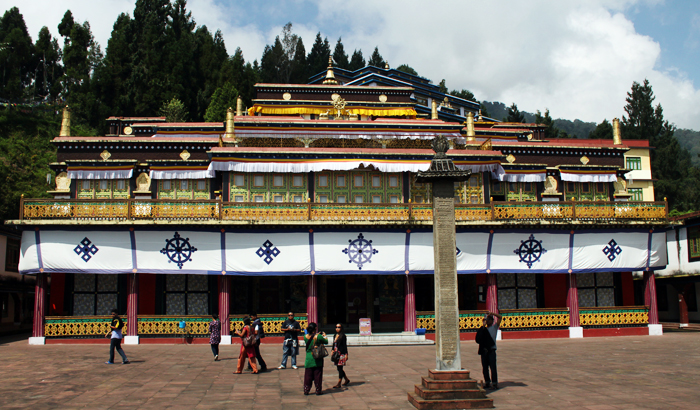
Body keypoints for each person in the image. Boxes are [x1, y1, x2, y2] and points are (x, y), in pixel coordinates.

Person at [475, 311, 502, 390]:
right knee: (485, 368)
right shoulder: (483, 329)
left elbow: (500, 317)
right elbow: (478, 339)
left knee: (493, 368)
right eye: (487, 320)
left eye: (489, 319)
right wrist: (483, 326)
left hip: (491, 350)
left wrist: (492, 314)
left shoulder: (494, 327)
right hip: (484, 351)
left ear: (492, 321)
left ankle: (494, 383)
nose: (488, 321)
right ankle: (487, 382)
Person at [303, 322, 328, 395]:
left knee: (308, 376)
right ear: (315, 328)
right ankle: (318, 390)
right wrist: (324, 336)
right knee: (318, 375)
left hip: (308, 358)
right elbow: (326, 341)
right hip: (317, 358)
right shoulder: (318, 336)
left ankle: (306, 389)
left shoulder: (305, 336)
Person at [331, 323, 350, 388]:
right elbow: (334, 344)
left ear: (341, 328)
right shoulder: (335, 335)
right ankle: (346, 379)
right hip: (336, 353)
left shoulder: (343, 336)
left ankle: (339, 382)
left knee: (340, 368)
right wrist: (332, 350)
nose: (337, 328)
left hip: (341, 353)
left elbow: (345, 346)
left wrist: (346, 354)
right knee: (338, 368)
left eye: (339, 327)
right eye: (336, 327)